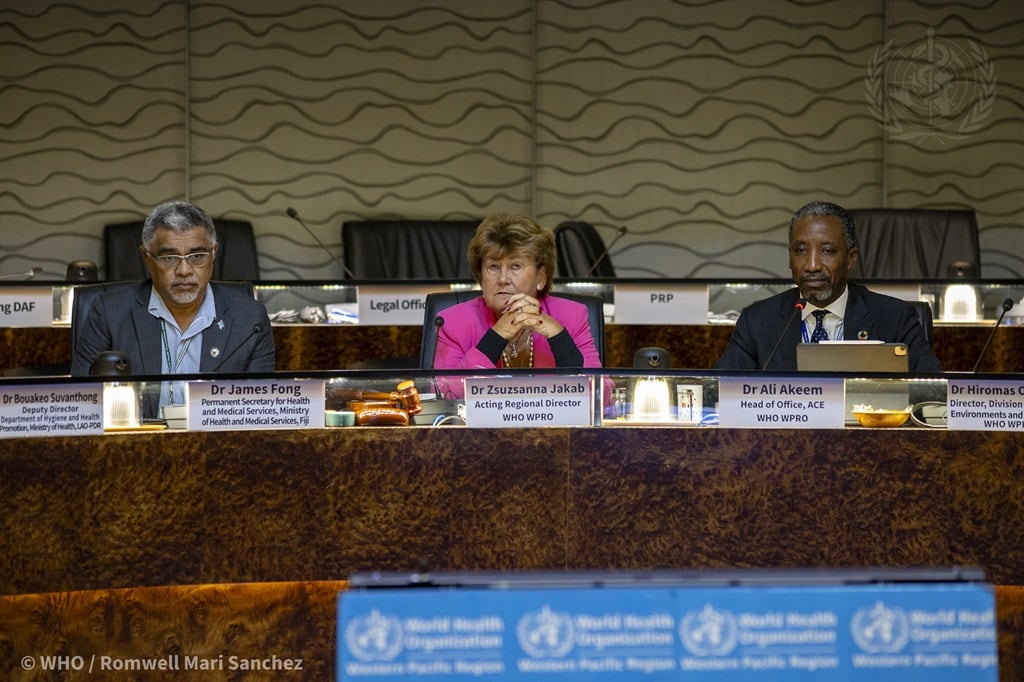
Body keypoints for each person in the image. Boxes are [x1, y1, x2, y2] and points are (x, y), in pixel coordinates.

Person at [71, 200, 276, 416]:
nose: (184, 270)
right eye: (169, 258)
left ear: (213, 254)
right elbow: (82, 404)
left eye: (197, 256)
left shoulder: (250, 320)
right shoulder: (109, 313)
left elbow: (258, 413)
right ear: (147, 258)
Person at [714, 200, 943, 373]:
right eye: (801, 250)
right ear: (790, 257)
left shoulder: (895, 319)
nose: (812, 265)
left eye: (827, 251)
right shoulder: (757, 322)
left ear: (851, 258)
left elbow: (933, 393)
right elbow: (720, 393)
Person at [433, 213, 603, 386]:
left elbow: (601, 393)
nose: (503, 279)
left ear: (541, 277)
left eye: (515, 266)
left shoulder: (571, 316)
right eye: (493, 266)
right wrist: (496, 337)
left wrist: (559, 338)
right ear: (480, 275)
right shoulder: (453, 323)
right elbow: (445, 393)